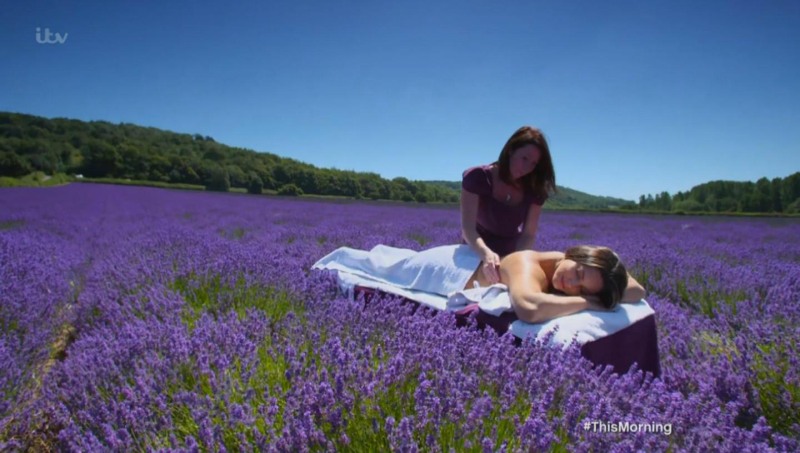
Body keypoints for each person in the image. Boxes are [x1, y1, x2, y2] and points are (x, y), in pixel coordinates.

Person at [312, 243, 646, 324]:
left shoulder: (566, 268)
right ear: (576, 253)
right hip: (446, 269)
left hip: (468, 264)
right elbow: (530, 308)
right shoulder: (527, 266)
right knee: (386, 266)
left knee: (394, 260)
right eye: (578, 273)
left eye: (582, 288)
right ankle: (338, 255)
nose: (570, 282)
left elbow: (637, 289)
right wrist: (590, 301)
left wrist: (607, 292)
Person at [461, 126, 557, 285]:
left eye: (533, 163)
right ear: (511, 150)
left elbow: (528, 235)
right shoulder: (478, 177)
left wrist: (517, 259)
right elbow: (468, 229)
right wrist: (485, 254)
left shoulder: (534, 190)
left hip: (512, 251)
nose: (526, 168)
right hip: (476, 249)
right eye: (524, 158)